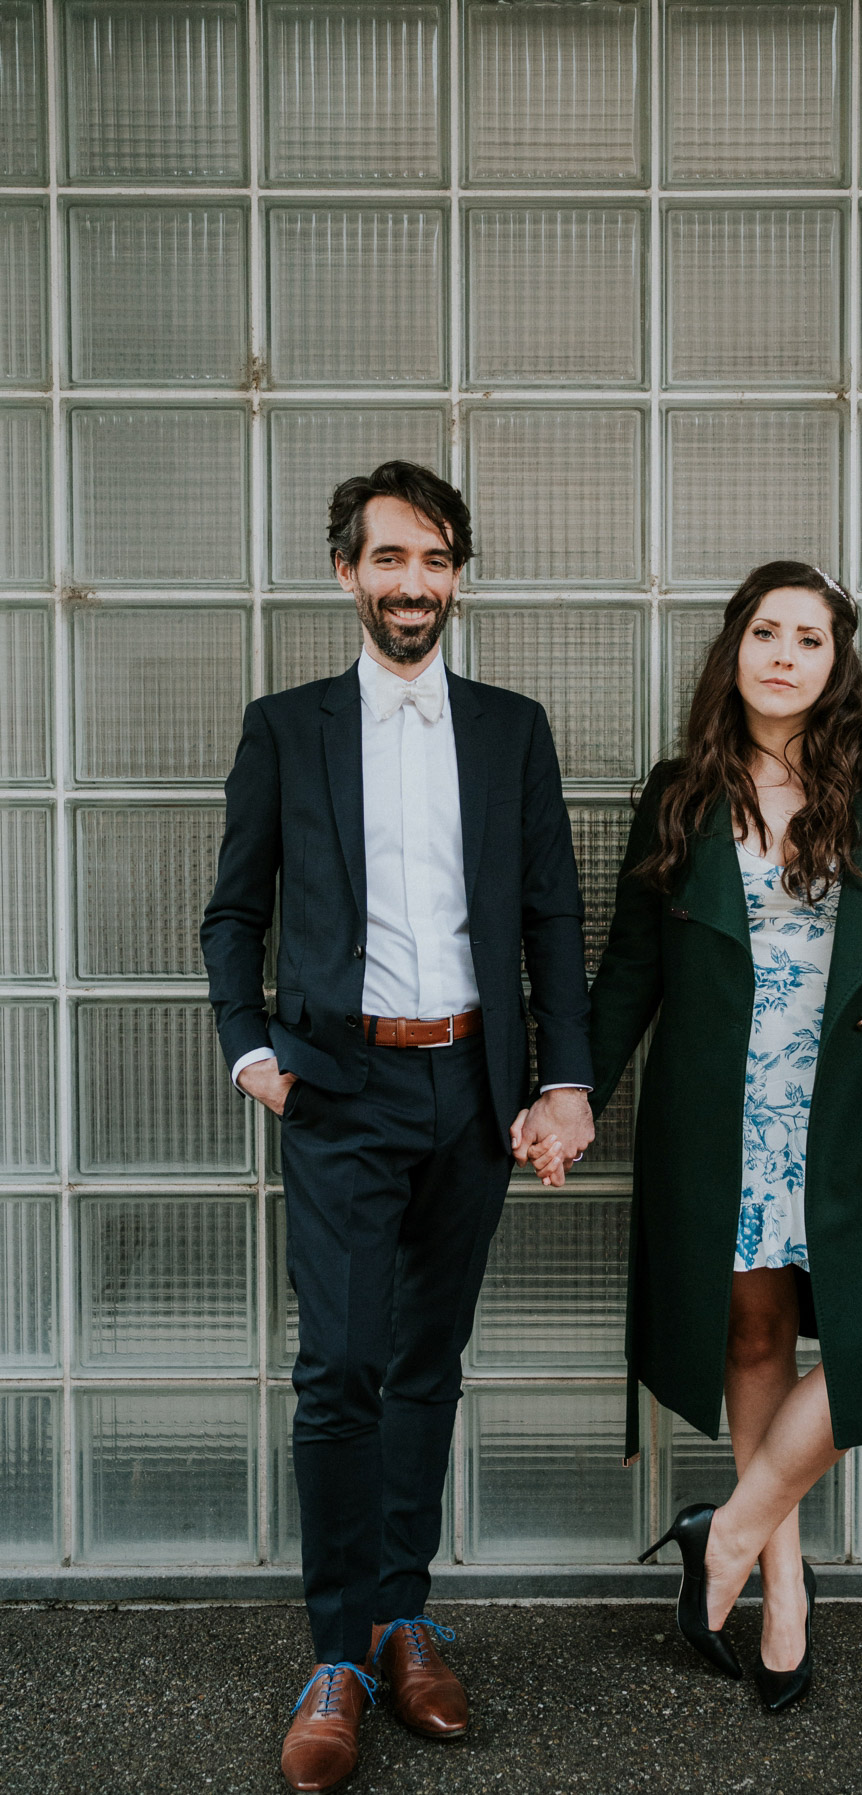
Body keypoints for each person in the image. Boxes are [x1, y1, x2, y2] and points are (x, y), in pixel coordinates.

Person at [515, 560, 862, 1711]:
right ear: (733, 649)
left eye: (809, 638)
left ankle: (719, 1534)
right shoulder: (679, 795)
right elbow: (628, 971)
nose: (783, 654)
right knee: (757, 1333)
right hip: (723, 1116)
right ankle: (783, 1589)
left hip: (854, 1115)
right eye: (764, 632)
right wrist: (572, 1090)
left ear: (838, 661)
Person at [201, 460, 595, 1791]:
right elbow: (232, 913)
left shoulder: (510, 727)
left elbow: (550, 916)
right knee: (342, 1366)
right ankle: (336, 1655)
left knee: (429, 1359)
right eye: (388, 558)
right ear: (346, 572)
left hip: (475, 1091)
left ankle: (405, 1614)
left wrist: (567, 1080)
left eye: (433, 559)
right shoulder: (286, 725)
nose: (412, 582)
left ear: (458, 573)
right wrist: (252, 1049)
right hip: (342, 1089)